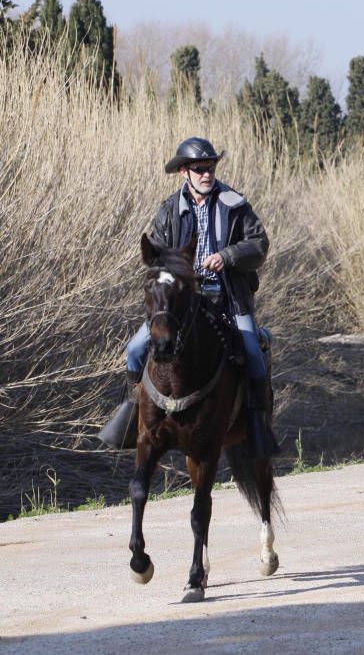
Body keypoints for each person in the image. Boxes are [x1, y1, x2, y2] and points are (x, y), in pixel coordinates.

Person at [98, 137, 280, 457]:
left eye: (210, 167)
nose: (207, 174)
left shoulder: (235, 204)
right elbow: (155, 254)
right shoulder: (168, 210)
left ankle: (257, 424)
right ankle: (132, 413)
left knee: (252, 349)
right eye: (199, 169)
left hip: (227, 297)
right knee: (135, 349)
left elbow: (259, 244)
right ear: (184, 172)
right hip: (179, 302)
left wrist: (228, 255)